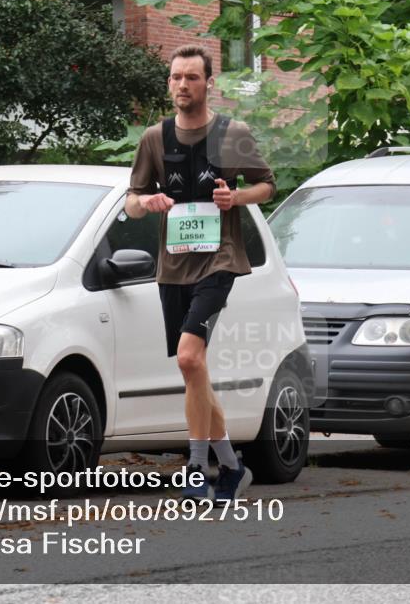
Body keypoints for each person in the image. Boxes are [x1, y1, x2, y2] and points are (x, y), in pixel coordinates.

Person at [125, 45, 276, 502]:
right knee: (195, 369)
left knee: (189, 358)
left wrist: (237, 198)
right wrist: (146, 202)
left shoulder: (233, 134)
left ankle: (195, 467)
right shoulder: (154, 138)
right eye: (176, 77)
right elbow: (131, 202)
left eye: (192, 77)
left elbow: (267, 185)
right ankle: (231, 465)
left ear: (209, 83)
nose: (182, 85)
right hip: (174, 265)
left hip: (219, 260)